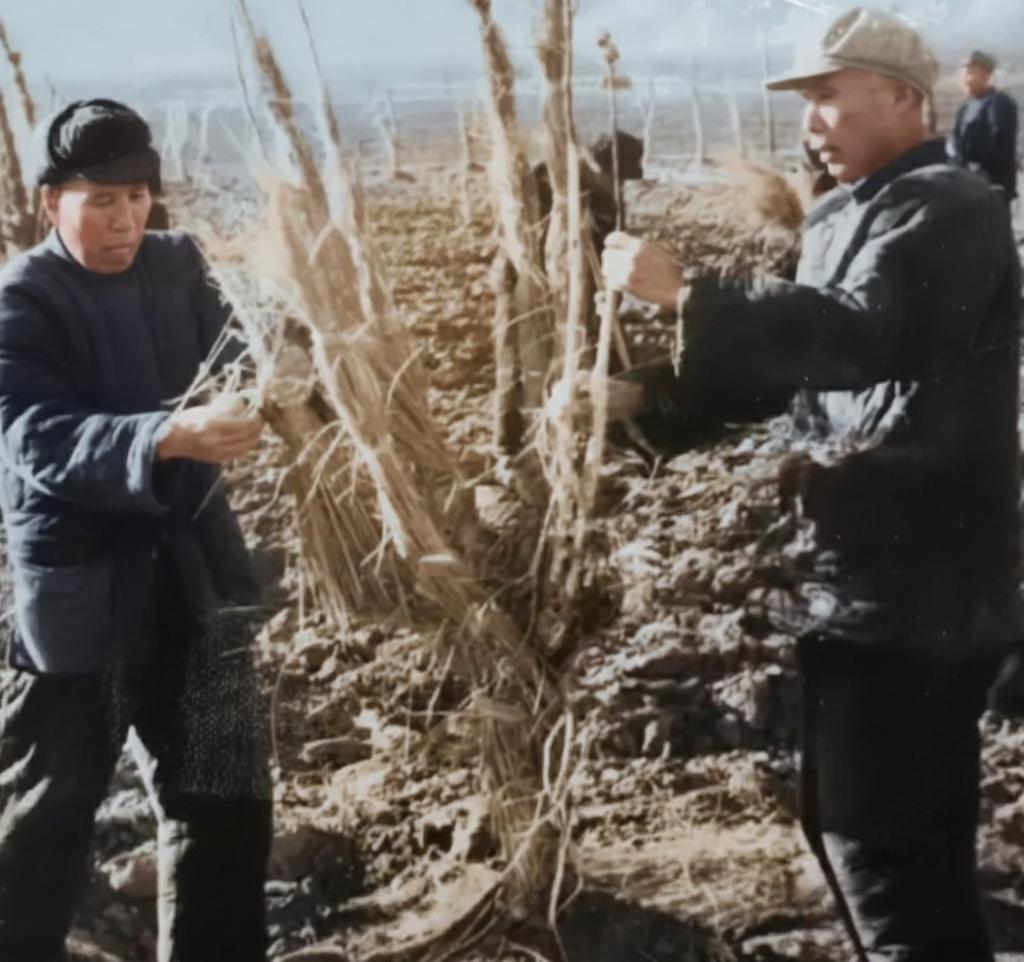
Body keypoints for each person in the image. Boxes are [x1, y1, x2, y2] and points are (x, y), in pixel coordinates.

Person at [598, 8, 1021, 961]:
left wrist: (691, 293)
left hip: (922, 592)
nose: (811, 123)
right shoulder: (849, 213)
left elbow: (858, 335)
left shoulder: (951, 206)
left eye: (829, 96)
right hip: (857, 579)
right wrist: (639, 407)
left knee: (884, 854)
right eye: (804, 102)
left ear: (903, 98)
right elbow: (792, 372)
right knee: (862, 837)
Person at [0, 99, 273, 961]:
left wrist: (281, 374)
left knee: (225, 803)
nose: (125, 220)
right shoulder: (22, 299)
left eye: (137, 197)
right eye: (101, 201)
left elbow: (241, 351)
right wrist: (162, 437)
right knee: (48, 815)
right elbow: (32, 435)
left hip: (195, 580)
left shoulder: (177, 263)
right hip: (84, 594)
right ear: (53, 202)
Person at [949, 50, 1019, 202]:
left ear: (986, 75)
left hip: (992, 188)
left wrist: (981, 171)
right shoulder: (965, 108)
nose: (965, 79)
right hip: (966, 185)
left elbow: (999, 144)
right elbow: (956, 143)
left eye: (971, 72)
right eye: (963, 74)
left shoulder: (999, 103)